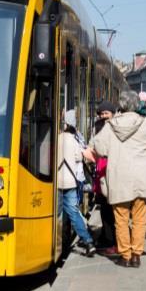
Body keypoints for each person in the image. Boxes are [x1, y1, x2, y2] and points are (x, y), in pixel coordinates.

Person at [90, 91, 146, 268]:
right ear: (137, 105)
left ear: (121, 105)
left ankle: (125, 255)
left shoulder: (110, 126)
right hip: (142, 179)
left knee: (121, 219)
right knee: (140, 218)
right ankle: (136, 255)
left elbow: (99, 147)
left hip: (120, 179)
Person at [58, 109, 96, 257]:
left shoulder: (57, 138)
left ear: (65, 124)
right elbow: (79, 158)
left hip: (57, 184)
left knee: (58, 213)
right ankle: (88, 241)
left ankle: (59, 241)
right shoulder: (74, 140)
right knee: (74, 212)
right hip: (71, 182)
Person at [92, 118, 118, 256]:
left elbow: (102, 172)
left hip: (106, 190)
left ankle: (110, 241)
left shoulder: (105, 153)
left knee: (108, 215)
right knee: (107, 214)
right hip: (104, 189)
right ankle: (109, 239)